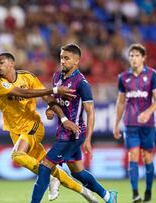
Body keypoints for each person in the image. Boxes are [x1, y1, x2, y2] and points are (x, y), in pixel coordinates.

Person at [0, 52, 98, 202]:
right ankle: (84, 192)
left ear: (11, 64)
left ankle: (47, 176)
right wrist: (54, 90)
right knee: (50, 167)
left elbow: (47, 98)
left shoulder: (27, 77)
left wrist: (63, 117)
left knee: (17, 156)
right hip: (15, 131)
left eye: (1, 63)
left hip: (32, 126)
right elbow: (24, 93)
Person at [30, 44, 118, 203]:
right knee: (77, 172)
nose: (62, 61)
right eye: (61, 58)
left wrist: (89, 139)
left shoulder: (81, 83)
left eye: (66, 58)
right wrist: (51, 110)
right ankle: (108, 196)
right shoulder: (57, 76)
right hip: (63, 131)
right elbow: (56, 102)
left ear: (77, 61)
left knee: (45, 167)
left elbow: (90, 112)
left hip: (73, 134)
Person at [113, 43, 156, 203]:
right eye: (131, 55)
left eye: (137, 55)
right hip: (130, 123)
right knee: (133, 156)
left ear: (143, 58)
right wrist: (116, 124)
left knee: (147, 156)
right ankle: (135, 193)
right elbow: (120, 102)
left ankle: (148, 190)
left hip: (148, 125)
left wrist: (148, 113)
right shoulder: (123, 77)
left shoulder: (153, 75)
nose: (134, 58)